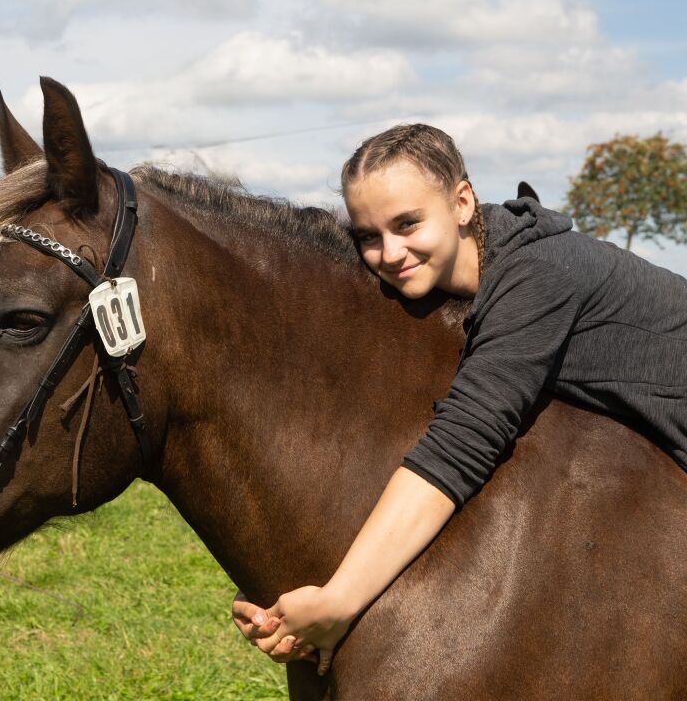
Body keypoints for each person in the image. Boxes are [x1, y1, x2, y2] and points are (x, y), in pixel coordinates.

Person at [233, 124, 687, 673]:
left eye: (407, 224)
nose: (389, 253)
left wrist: (340, 599)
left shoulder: (539, 274)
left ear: (463, 202)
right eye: (368, 236)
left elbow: (463, 441)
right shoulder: (464, 274)